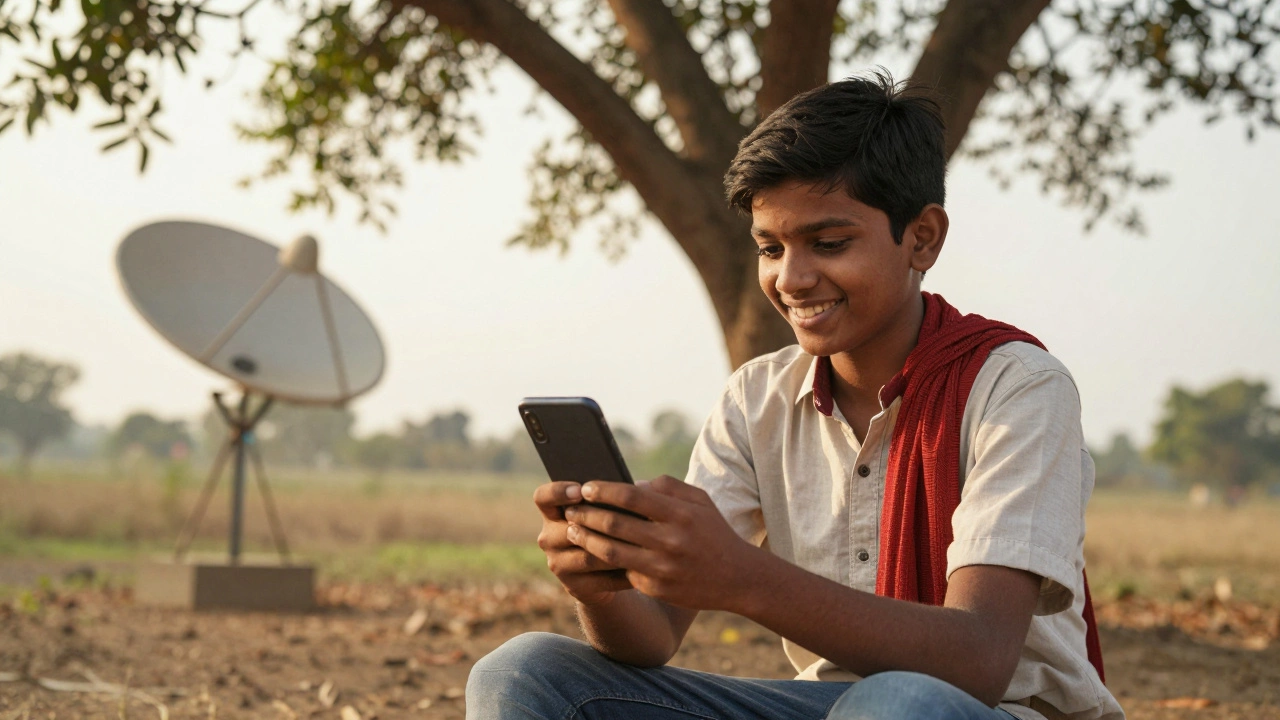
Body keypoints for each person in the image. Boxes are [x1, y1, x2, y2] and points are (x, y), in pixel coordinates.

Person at [466, 71, 1124, 720]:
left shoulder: (1018, 386)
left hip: (992, 711)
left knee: (895, 702)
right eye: (769, 247)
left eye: (829, 243)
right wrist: (602, 584)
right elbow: (653, 637)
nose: (793, 278)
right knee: (525, 673)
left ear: (921, 238)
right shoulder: (757, 397)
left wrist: (743, 578)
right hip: (832, 707)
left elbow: (979, 660)